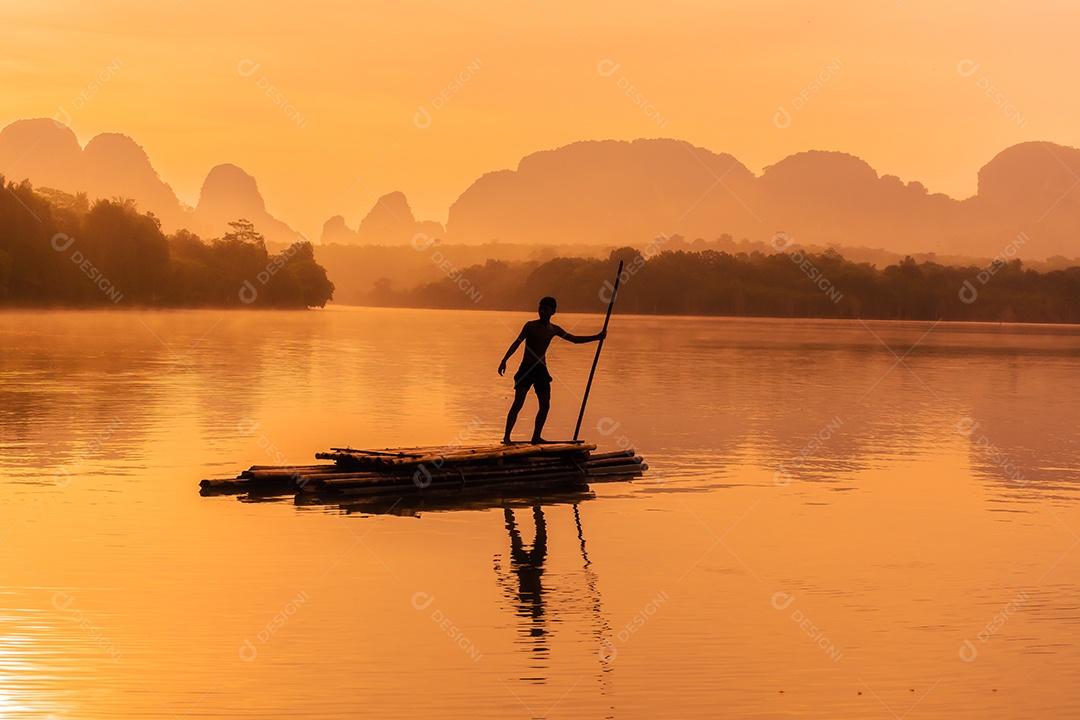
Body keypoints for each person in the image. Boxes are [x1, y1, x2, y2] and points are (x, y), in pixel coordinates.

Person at [498, 296, 605, 444]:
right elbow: (517, 342)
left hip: (541, 370)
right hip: (526, 369)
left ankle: (536, 437)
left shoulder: (554, 329)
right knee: (518, 402)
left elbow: (574, 339)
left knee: (545, 405)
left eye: (546, 309)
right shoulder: (530, 326)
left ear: (553, 312)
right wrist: (504, 360)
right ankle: (507, 437)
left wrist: (597, 337)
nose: (542, 311)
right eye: (540, 308)